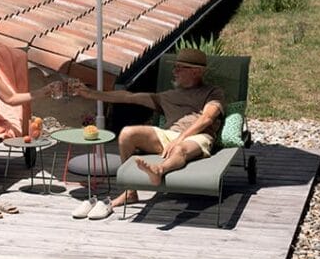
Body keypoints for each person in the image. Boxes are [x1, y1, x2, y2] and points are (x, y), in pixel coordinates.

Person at [74, 48, 224, 207]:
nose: (174, 71)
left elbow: (207, 118)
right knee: (127, 133)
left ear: (196, 72)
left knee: (179, 149)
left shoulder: (213, 92)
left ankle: (159, 170)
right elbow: (129, 97)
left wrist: (180, 138)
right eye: (175, 67)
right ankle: (130, 192)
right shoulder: (167, 96)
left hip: (197, 137)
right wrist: (91, 94)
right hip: (168, 135)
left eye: (180, 67)